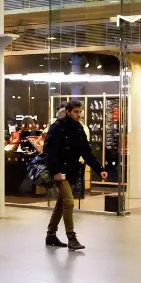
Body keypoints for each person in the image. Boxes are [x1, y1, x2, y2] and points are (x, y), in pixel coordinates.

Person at [44, 100, 108, 250]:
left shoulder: (79, 129)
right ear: (68, 111)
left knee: (61, 204)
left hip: (72, 172)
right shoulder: (57, 127)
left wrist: (100, 169)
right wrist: (55, 171)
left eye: (80, 112)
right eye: (75, 112)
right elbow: (50, 151)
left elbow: (87, 153)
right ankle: (71, 238)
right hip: (60, 172)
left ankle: (51, 235)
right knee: (69, 202)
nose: (78, 115)